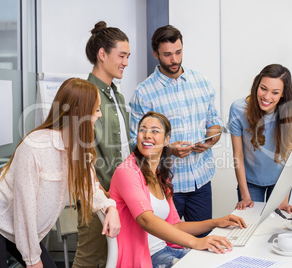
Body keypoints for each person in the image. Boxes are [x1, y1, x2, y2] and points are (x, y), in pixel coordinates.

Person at [0, 78, 120, 268]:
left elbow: (90, 187)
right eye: (96, 109)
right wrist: (32, 259)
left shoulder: (79, 148)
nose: (100, 115)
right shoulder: (35, 146)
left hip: (19, 226)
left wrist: (110, 208)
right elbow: (24, 205)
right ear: (80, 113)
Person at [109, 111, 246, 268]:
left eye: (155, 130)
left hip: (165, 251)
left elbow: (175, 225)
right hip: (146, 258)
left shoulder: (160, 175)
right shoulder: (127, 171)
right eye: (142, 129)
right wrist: (196, 242)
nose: (147, 135)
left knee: (224, 260)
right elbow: (146, 220)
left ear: (167, 139)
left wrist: (216, 222)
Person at [129, 25, 223, 231]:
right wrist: (169, 150)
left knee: (202, 243)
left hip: (201, 181)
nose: (175, 60)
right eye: (167, 54)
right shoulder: (144, 93)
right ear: (155, 54)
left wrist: (210, 139)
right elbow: (134, 144)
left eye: (178, 52)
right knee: (166, 247)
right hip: (165, 186)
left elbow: (214, 121)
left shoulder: (202, 82)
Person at [72, 21, 131, 268]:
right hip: (98, 195)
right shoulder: (85, 95)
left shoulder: (116, 95)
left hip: (119, 194)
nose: (126, 62)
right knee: (90, 258)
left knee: (115, 258)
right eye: (122, 56)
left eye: (128, 56)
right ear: (102, 54)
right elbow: (79, 153)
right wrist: (103, 196)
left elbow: (122, 147)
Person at [227, 64, 292, 213]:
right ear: (256, 85)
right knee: (251, 226)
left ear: (283, 94)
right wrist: (245, 196)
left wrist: (283, 199)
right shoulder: (238, 108)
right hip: (250, 183)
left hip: (280, 181)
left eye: (275, 92)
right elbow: (238, 155)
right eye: (263, 88)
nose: (267, 97)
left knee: (276, 227)